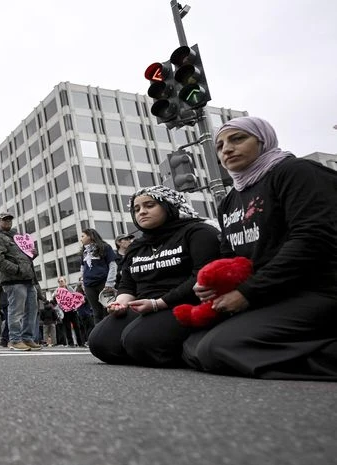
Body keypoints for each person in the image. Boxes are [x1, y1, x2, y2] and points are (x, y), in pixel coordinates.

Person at [183, 116, 337, 380]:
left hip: (316, 290)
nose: (226, 149)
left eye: (237, 139)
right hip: (268, 294)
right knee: (192, 344)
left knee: (219, 347)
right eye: (219, 146)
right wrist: (211, 283)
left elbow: (312, 240)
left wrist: (248, 293)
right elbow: (229, 255)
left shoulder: (296, 171)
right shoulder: (230, 199)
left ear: (263, 141)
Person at [87, 185, 221, 367]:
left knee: (139, 341)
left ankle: (193, 347)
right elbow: (128, 284)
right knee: (100, 343)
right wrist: (121, 303)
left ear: (168, 206)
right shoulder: (136, 246)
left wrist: (159, 303)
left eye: (149, 205)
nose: (142, 212)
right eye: (136, 209)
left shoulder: (198, 232)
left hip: (183, 303)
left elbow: (201, 277)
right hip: (145, 306)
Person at [0, 211, 41, 351]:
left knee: (32, 309)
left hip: (28, 278)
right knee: (16, 310)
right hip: (13, 280)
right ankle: (15, 340)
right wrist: (17, 269)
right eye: (4, 220)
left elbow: (24, 258)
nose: (8, 222)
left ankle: (27, 338)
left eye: (9, 220)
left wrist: (32, 254)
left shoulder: (18, 238)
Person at [79, 228, 117, 325]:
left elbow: (112, 265)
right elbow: (82, 268)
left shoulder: (105, 247)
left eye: (83, 236)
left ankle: (112, 335)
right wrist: (83, 283)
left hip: (104, 283)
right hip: (89, 285)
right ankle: (99, 338)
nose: (81, 239)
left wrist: (110, 283)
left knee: (108, 310)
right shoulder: (84, 251)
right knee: (96, 313)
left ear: (90, 236)